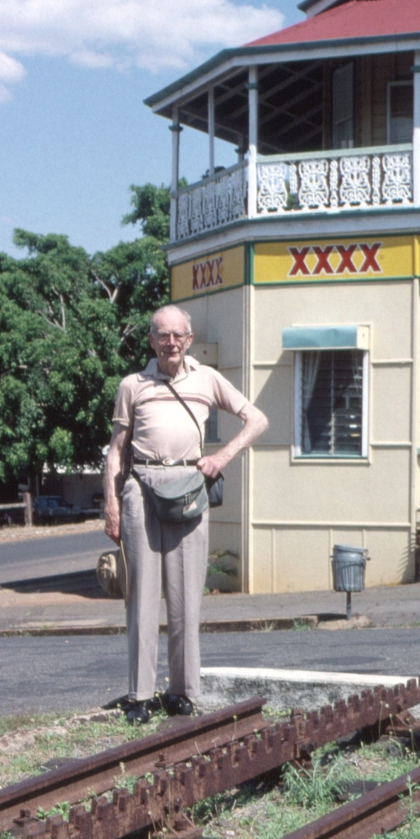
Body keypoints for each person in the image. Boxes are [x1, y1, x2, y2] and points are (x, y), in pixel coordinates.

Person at [104, 304, 268, 723]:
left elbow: (257, 419)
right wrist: (111, 504)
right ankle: (139, 696)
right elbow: (116, 451)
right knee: (141, 597)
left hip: (190, 492)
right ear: (151, 341)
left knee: (185, 599)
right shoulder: (133, 385)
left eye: (178, 335)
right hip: (141, 490)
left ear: (189, 339)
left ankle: (181, 692)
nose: (170, 343)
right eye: (162, 335)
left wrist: (223, 456)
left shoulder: (207, 379)